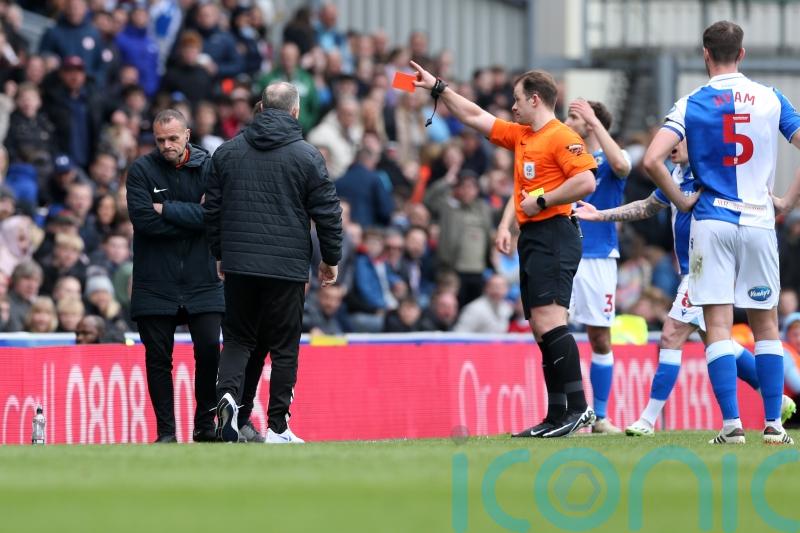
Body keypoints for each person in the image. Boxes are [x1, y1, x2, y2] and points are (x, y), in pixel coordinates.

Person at [410, 61, 598, 437]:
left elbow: (586, 182)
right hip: (533, 236)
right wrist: (439, 89)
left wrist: (542, 201)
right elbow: (475, 116)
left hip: (555, 232)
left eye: (516, 100)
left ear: (534, 99)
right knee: (542, 330)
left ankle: (578, 410)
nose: (511, 107)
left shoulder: (561, 136)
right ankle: (557, 414)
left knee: (551, 323)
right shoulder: (523, 135)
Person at [642, 20, 800, 445]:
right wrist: (787, 200)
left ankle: (732, 426)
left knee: (718, 325)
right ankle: (773, 424)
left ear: (705, 55)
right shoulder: (771, 97)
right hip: (758, 220)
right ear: (743, 54)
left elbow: (652, 160)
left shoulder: (690, 102)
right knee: (766, 325)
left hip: (711, 221)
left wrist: (680, 198)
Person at [576, 140, 796, 435]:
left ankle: (647, 420)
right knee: (718, 342)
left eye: (680, 140)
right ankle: (775, 398)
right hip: (691, 271)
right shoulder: (676, 176)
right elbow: (646, 207)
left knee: (671, 335)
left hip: (705, 270)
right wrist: (602, 214)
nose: (671, 146)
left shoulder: (712, 177)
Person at [206, 81, 342, 444]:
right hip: (286, 269)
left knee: (237, 339)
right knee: (284, 348)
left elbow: (212, 211)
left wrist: (220, 252)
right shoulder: (308, 156)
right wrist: (330, 260)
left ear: (261, 108)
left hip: (239, 265)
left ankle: (229, 399)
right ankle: (278, 427)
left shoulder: (227, 153)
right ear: (296, 111)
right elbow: (328, 213)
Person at [126, 109, 225, 444]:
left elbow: (214, 216)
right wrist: (192, 215)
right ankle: (166, 432)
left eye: (172, 138)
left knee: (211, 348)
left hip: (202, 279)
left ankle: (204, 426)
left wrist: (166, 209)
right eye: (160, 140)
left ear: (187, 134)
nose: (166, 145)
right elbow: (143, 221)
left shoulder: (211, 166)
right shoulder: (141, 169)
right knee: (157, 359)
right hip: (155, 281)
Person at [565, 99, 631, 434]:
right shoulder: (565, 155)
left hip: (599, 257)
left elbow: (623, 166)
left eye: (574, 116)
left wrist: (593, 120)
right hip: (563, 253)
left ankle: (600, 416)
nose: (567, 121)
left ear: (590, 123)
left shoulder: (609, 158)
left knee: (599, 338)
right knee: (555, 333)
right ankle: (568, 413)